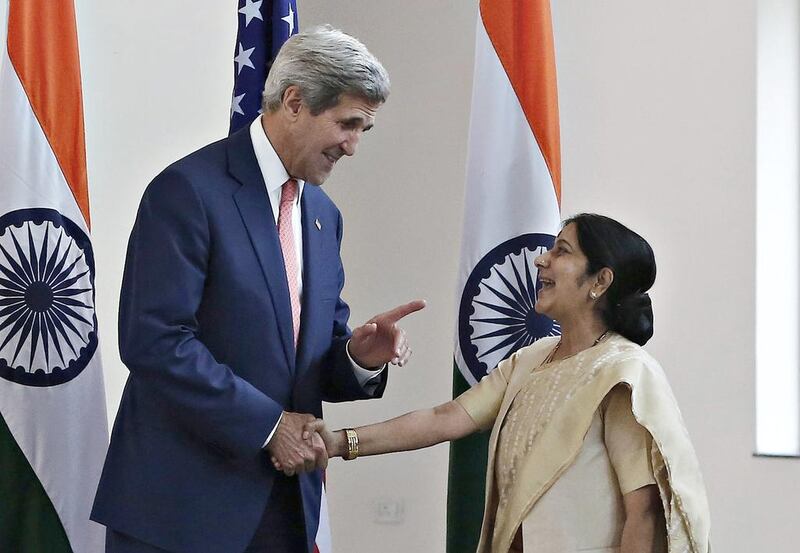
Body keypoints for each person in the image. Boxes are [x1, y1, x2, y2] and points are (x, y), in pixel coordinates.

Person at [91, 26, 424, 553]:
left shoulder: (322, 215)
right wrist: (269, 426)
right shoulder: (188, 190)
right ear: (294, 102)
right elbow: (153, 340)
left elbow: (307, 360)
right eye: (347, 123)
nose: (354, 146)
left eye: (365, 128)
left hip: (284, 512)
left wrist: (359, 357)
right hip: (180, 511)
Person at [298, 214, 711, 553]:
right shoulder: (531, 359)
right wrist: (339, 443)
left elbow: (645, 513)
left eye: (561, 251)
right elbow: (446, 418)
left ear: (600, 282)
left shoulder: (625, 372)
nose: (541, 261)